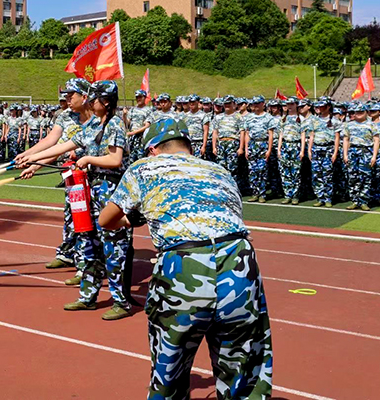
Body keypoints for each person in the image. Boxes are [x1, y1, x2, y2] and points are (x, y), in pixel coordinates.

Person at [98, 118, 273, 399]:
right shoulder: (219, 170)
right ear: (187, 146)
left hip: (184, 264)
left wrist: (131, 220)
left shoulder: (143, 168)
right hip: (239, 262)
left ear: (152, 149)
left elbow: (107, 219)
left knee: (170, 370)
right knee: (242, 371)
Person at [19, 80, 133, 321]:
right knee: (88, 241)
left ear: (107, 102)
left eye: (96, 99)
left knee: (113, 246)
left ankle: (120, 302)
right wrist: (32, 159)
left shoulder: (115, 124)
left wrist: (89, 159)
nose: (91, 102)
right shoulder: (92, 123)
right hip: (91, 188)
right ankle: (88, 297)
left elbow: (115, 160)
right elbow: (65, 145)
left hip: (110, 190)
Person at [18, 78, 90, 272]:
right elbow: (53, 142)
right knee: (72, 213)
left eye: (71, 94)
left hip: (95, 173)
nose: (66, 98)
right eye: (65, 95)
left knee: (89, 217)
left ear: (84, 96)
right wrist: (30, 159)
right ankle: (67, 254)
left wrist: (33, 159)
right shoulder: (65, 116)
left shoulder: (96, 118)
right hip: (71, 172)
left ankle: (88, 261)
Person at [343, 103, 380, 211]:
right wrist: (345, 154)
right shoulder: (349, 125)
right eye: (356, 112)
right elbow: (346, 139)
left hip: (365, 151)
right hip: (353, 151)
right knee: (352, 177)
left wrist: (374, 156)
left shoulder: (372, 125)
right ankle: (355, 200)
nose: (358, 114)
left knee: (365, 177)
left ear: (366, 113)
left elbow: (376, 140)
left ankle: (364, 201)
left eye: (361, 112)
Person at [307, 99, 340, 207]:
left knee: (327, 175)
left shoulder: (335, 121)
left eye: (322, 106)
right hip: (316, 149)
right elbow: (311, 136)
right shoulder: (314, 121)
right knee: (316, 175)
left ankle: (328, 198)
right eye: (318, 106)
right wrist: (309, 150)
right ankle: (320, 197)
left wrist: (335, 152)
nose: (319, 108)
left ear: (328, 107)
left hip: (328, 149)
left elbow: (337, 138)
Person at [241, 96, 275, 203]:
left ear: (263, 104)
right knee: (252, 170)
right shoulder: (249, 118)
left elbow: (270, 135)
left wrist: (269, 149)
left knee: (262, 171)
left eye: (258, 103)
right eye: (254, 104)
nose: (255, 106)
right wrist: (246, 149)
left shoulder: (268, 117)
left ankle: (262, 194)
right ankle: (255, 193)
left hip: (263, 144)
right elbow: (247, 134)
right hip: (252, 145)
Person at [277, 98, 305, 204]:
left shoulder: (301, 118)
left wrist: (302, 150)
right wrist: (279, 149)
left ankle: (295, 195)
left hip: (296, 145)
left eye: (292, 104)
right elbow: (281, 134)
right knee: (285, 172)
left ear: (296, 105)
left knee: (296, 172)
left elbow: (303, 135)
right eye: (288, 104)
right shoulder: (283, 119)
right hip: (285, 145)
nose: (289, 106)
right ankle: (287, 194)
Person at [211, 95, 244, 183]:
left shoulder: (238, 117)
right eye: (225, 104)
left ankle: (233, 188)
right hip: (221, 144)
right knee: (221, 168)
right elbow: (215, 132)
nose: (227, 106)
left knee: (232, 168)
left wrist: (241, 148)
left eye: (229, 104)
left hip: (232, 143)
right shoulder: (218, 117)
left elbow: (242, 132)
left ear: (234, 104)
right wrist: (214, 147)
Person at [125, 89, 152, 165]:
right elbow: (127, 123)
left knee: (141, 161)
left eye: (140, 97)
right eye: (137, 97)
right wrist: (124, 115)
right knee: (130, 161)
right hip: (132, 140)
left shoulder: (148, 110)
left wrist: (133, 132)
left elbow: (147, 125)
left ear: (144, 97)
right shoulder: (132, 110)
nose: (138, 99)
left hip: (141, 140)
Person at [183, 94, 210, 159]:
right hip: (188, 143)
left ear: (197, 102)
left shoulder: (203, 115)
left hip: (198, 142)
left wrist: (204, 146)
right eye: (190, 102)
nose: (191, 104)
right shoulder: (185, 116)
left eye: (193, 102)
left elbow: (206, 131)